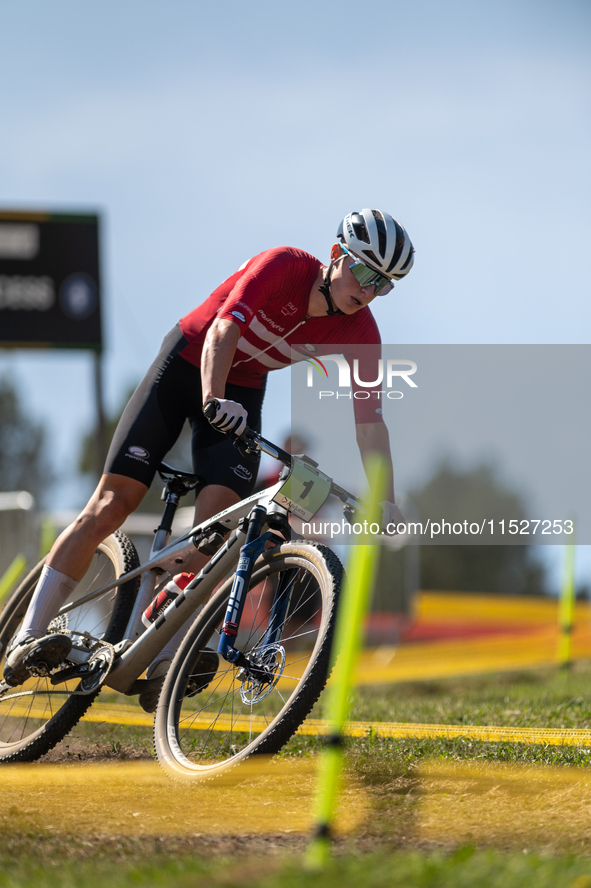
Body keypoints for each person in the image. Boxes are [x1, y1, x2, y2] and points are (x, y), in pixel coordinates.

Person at [3, 208, 415, 707]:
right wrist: (213, 397)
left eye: (386, 285)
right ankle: (28, 634)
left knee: (219, 534)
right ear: (336, 255)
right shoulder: (284, 265)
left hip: (245, 389)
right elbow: (223, 331)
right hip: (186, 365)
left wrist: (386, 502)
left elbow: (370, 423)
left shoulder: (362, 333)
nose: (370, 291)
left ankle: (162, 652)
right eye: (367, 272)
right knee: (113, 504)